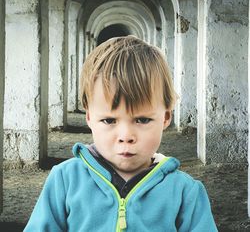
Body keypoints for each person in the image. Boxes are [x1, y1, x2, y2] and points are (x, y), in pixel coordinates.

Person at [24, 36, 217, 231]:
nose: (126, 136)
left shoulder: (185, 193)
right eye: (109, 120)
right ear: (89, 117)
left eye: (142, 120)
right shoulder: (65, 181)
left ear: (166, 118)